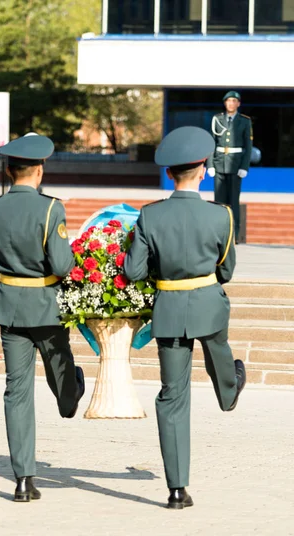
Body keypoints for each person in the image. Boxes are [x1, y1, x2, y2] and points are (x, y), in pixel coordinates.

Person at [124, 126, 246, 510]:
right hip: (208, 302)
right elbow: (226, 272)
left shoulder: (150, 216)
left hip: (169, 309)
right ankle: (228, 392)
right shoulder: (221, 216)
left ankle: (177, 489)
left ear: (170, 173)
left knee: (172, 396)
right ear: (205, 169)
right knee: (219, 348)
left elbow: (134, 271)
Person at [0, 133, 85, 503]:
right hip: (45, 304)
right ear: (39, 171)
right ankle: (69, 400)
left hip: (10, 304)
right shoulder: (50, 208)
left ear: (10, 171)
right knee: (62, 371)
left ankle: (23, 479)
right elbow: (60, 264)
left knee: (17, 391)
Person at [207, 91, 253, 242]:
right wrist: (210, 164)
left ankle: (235, 235)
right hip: (219, 163)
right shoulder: (217, 119)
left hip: (235, 165)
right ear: (225, 103)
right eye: (228, 101)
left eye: (234, 101)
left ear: (238, 103)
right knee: (218, 201)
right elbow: (211, 143)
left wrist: (244, 167)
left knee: (234, 201)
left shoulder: (245, 121)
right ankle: (218, 234)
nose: (231, 104)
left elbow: (248, 145)